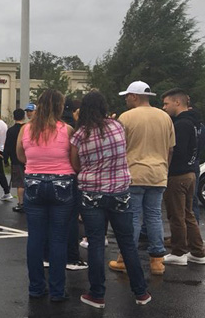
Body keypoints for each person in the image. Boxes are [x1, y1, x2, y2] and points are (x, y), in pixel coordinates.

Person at [70, 91, 151, 308]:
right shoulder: (117, 126)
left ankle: (97, 295)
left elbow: (75, 164)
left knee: (96, 243)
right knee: (127, 243)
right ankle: (141, 292)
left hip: (91, 192)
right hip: (119, 192)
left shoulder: (80, 134)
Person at [109, 81, 174, 276]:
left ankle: (125, 259)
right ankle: (157, 261)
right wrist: (164, 168)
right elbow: (170, 149)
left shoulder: (126, 117)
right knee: (154, 216)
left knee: (133, 217)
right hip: (158, 173)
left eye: (127, 96)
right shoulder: (164, 117)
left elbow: (118, 148)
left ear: (134, 96)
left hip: (134, 173)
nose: (126, 100)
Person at [16, 89, 75, 302]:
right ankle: (57, 291)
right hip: (62, 182)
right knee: (58, 238)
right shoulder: (67, 130)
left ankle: (36, 287)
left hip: (34, 181)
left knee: (35, 237)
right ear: (60, 107)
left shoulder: (26, 129)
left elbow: (20, 155)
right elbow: (74, 158)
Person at [160, 88, 205, 266]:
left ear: (177, 102)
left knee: (176, 215)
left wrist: (166, 168)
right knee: (188, 214)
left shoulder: (181, 125)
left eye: (166, 103)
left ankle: (178, 252)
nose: (164, 107)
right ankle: (197, 251)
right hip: (191, 172)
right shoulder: (196, 124)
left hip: (177, 175)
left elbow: (176, 151)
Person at [4, 108, 27, 212]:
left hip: (16, 159)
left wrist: (5, 159)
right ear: (24, 117)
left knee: (20, 183)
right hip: (28, 158)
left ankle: (21, 203)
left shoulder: (11, 130)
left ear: (14, 117)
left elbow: (7, 146)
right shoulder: (27, 129)